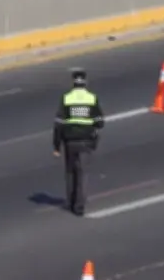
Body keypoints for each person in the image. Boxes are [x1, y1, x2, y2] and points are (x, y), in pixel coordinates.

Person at [52, 68, 105, 216]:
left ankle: (70, 202)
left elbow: (59, 124)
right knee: (82, 173)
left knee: (70, 172)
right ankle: (79, 206)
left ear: (73, 82)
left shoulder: (66, 98)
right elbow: (100, 122)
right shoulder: (92, 98)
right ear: (85, 82)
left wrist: (56, 146)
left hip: (70, 142)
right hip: (86, 141)